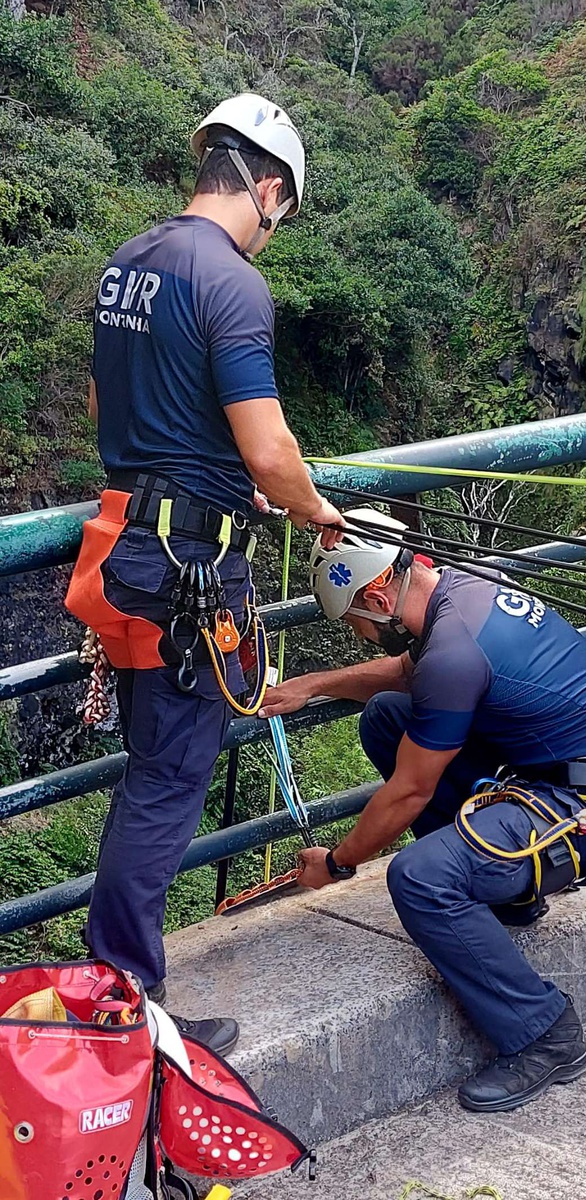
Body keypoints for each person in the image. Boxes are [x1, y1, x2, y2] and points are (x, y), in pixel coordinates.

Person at [65, 93, 343, 1053]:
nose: (274, 229)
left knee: (150, 776)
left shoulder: (128, 264)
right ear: (268, 189)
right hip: (191, 570)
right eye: (283, 211)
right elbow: (269, 447)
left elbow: (112, 399)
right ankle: (125, 1008)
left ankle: (115, 992)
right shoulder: (231, 282)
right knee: (166, 785)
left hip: (128, 548)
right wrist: (308, 506)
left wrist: (213, 475)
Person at [260, 507, 586, 1111]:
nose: (358, 634)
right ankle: (506, 893)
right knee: (390, 716)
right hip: (564, 772)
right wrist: (315, 684)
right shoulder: (460, 595)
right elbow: (406, 675)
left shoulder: (451, 653)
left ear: (374, 594)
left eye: (356, 622)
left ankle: (545, 1033)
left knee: (419, 877)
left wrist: (338, 863)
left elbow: (411, 791)